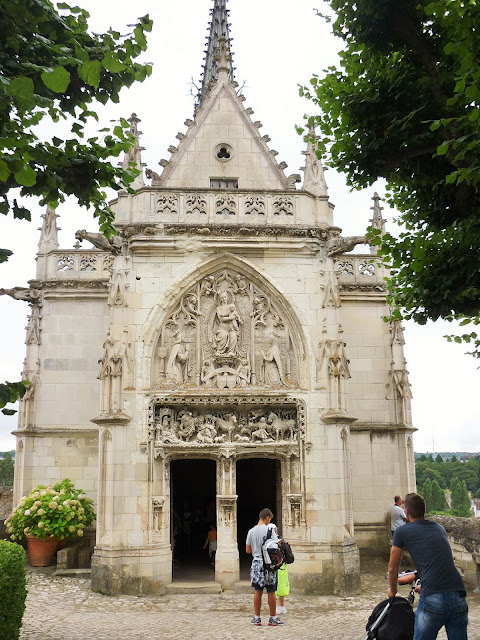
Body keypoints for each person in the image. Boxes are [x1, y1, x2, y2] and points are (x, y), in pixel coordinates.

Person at [387, 492, 468, 640]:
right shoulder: (439, 528)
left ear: (407, 512)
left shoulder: (401, 532)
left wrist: (392, 590)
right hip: (458, 594)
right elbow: (439, 562)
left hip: (433, 598)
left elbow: (392, 568)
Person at [246, 508, 285, 627]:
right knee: (271, 591)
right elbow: (276, 546)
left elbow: (248, 550)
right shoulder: (270, 529)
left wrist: (257, 550)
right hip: (269, 564)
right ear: (267, 518)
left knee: (257, 591)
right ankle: (273, 618)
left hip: (257, 563)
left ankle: (257, 618)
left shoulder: (251, 531)